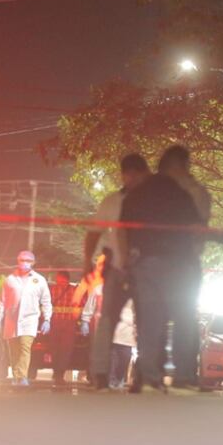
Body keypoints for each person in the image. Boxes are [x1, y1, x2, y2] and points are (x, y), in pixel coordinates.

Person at [119, 149, 205, 393]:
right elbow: (196, 227)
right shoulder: (179, 193)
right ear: (178, 167)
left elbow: (123, 229)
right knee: (182, 318)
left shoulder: (136, 195)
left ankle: (148, 376)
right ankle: (182, 376)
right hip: (177, 263)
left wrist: (128, 260)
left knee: (150, 320)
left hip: (145, 264)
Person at [83, 153, 151, 390]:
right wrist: (86, 262)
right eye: (128, 174)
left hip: (145, 270)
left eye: (136, 174)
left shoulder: (156, 202)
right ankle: (99, 372)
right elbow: (93, 233)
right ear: (124, 175)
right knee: (108, 321)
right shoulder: (113, 201)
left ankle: (142, 373)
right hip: (117, 269)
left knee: (145, 322)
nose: (132, 179)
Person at [0, 250, 52, 386]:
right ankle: (16, 376)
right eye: (22, 260)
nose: (25, 263)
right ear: (17, 261)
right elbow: (2, 302)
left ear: (33, 263)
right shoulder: (10, 280)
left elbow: (46, 301)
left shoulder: (39, 280)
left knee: (25, 347)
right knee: (13, 350)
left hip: (30, 320)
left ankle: (22, 376)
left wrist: (47, 319)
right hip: (11, 320)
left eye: (28, 261)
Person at [48, 270, 80, 386]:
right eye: (58, 280)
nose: (59, 282)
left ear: (67, 280)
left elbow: (81, 304)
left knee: (65, 350)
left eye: (61, 280)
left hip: (68, 324)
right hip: (56, 323)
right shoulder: (52, 290)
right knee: (55, 349)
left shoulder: (74, 290)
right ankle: (57, 371)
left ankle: (59, 373)